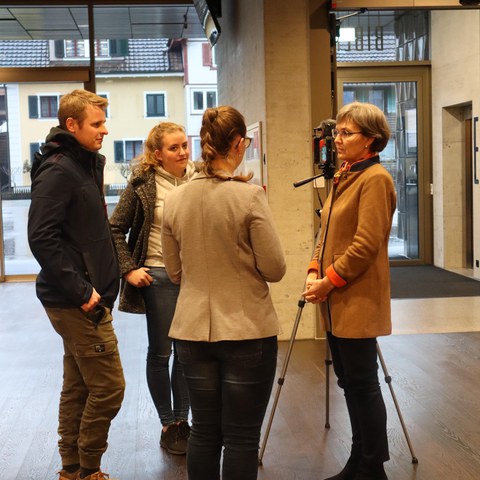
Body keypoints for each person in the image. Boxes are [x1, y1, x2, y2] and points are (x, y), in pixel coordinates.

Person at [161, 105, 286, 480]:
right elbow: (275, 269)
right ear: (235, 143)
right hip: (247, 330)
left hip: (191, 332)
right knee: (242, 437)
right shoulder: (248, 197)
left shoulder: (175, 199)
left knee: (204, 431)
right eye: (244, 142)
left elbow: (174, 271)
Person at [27, 89, 125, 480]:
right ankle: (88, 468)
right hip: (78, 300)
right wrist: (83, 292)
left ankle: (73, 469)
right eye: (97, 123)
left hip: (84, 296)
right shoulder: (59, 169)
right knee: (109, 388)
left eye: (104, 121)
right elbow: (41, 237)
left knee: (80, 386)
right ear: (72, 125)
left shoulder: (83, 164)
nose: (105, 129)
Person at [303, 101, 396, 480]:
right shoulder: (346, 175)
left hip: (356, 296)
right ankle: (359, 461)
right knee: (349, 381)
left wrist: (328, 280)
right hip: (335, 297)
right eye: (337, 132)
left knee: (363, 382)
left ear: (371, 140)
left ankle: (373, 468)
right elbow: (325, 234)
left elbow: (366, 243)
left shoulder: (375, 179)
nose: (336, 139)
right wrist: (313, 270)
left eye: (346, 133)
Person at [109, 122, 194, 455]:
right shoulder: (142, 183)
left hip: (195, 278)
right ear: (157, 154)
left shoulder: (199, 178)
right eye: (174, 148)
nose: (183, 152)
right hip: (158, 276)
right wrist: (129, 270)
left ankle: (183, 422)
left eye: (185, 145)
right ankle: (168, 423)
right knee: (162, 353)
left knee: (187, 353)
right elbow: (115, 229)